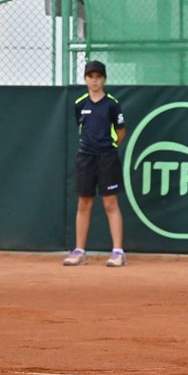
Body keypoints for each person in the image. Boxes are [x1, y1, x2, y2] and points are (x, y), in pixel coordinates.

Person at [62, 60, 128, 267]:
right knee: (84, 203)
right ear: (85, 79)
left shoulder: (112, 104)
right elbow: (81, 128)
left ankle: (118, 252)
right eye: (91, 77)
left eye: (98, 77)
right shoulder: (80, 104)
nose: (94, 81)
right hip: (85, 158)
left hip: (107, 158)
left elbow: (121, 130)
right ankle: (80, 251)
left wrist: (111, 147)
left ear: (104, 79)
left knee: (110, 203)